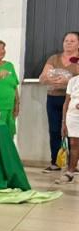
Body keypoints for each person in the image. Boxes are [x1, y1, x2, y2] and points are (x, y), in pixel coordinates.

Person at [39, 31, 79, 171]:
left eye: (72, 41)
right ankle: (55, 162)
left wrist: (69, 80)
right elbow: (42, 78)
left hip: (74, 102)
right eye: (66, 40)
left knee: (73, 132)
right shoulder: (54, 58)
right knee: (55, 130)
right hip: (54, 98)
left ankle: (72, 165)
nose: (68, 43)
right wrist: (51, 79)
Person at [57, 67, 79, 184]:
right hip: (73, 116)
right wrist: (63, 122)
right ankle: (70, 172)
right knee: (73, 143)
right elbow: (66, 102)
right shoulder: (73, 81)